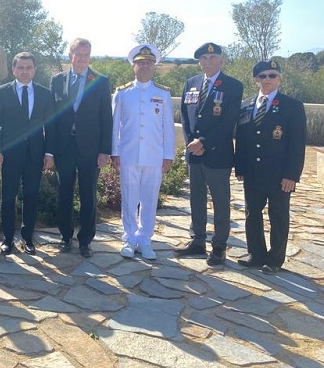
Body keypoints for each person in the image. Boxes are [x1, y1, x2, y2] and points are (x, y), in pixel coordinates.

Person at [235, 60, 306, 274]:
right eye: (263, 76)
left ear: (279, 78)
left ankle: (275, 259)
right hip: (253, 172)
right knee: (252, 213)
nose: (267, 79)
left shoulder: (292, 106)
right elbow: (242, 138)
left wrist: (291, 175)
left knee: (278, 216)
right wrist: (240, 167)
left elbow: (297, 144)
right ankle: (256, 253)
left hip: (279, 174)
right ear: (256, 79)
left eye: (272, 75)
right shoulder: (247, 105)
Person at [177, 42, 243, 266]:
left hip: (218, 155)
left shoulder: (233, 86)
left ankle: (219, 246)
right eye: (203, 58)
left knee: (220, 202)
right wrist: (191, 143)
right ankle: (197, 241)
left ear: (221, 60)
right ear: (199, 61)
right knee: (196, 199)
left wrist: (202, 142)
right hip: (194, 155)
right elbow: (185, 117)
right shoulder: (191, 83)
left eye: (212, 58)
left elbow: (229, 121)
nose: (208, 62)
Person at [111, 44, 175, 260]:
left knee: (149, 199)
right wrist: (114, 152)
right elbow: (115, 125)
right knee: (129, 198)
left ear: (154, 66)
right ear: (133, 66)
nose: (145, 66)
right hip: (128, 154)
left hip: (154, 155)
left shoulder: (162, 94)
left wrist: (168, 155)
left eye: (149, 63)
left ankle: (145, 239)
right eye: (141, 63)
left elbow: (168, 127)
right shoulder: (123, 93)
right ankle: (129, 238)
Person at [50, 38, 113, 257]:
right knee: (64, 194)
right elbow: (52, 118)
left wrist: (105, 150)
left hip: (90, 149)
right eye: (79, 54)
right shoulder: (57, 80)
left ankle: (85, 240)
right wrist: (50, 150)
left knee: (88, 196)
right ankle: (65, 237)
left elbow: (107, 117)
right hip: (64, 147)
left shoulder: (101, 81)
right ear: (70, 55)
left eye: (86, 55)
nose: (82, 59)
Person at [0, 52, 54, 255]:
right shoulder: (2, 93)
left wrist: (50, 153)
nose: (25, 71)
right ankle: (8, 239)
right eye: (21, 67)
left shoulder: (45, 94)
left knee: (31, 197)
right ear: (13, 70)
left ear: (34, 70)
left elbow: (50, 126)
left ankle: (28, 239)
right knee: (8, 197)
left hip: (35, 154)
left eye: (29, 67)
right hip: (9, 154)